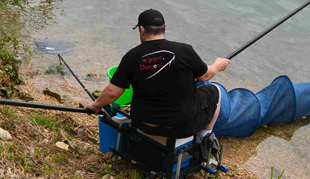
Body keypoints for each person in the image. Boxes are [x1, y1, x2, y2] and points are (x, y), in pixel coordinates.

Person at [87, 9, 230, 141]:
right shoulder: (184, 50)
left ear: (142, 30)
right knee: (214, 90)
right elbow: (205, 76)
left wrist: (96, 104)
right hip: (183, 128)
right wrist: (218, 65)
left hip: (144, 125)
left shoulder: (132, 56)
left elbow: (113, 91)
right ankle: (205, 134)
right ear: (164, 28)